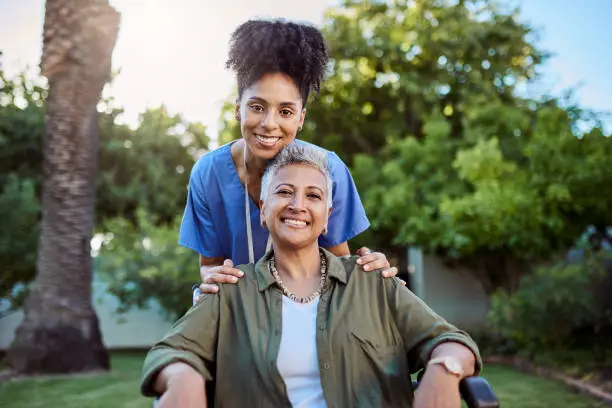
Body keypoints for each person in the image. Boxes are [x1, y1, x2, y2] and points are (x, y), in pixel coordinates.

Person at [142, 143, 482, 408]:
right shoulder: (231, 290)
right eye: (284, 192)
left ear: (327, 216)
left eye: (313, 195)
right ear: (263, 211)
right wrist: (182, 377)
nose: (298, 205)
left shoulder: (372, 280)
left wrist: (443, 370)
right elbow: (170, 351)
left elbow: (448, 341)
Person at [178, 19, 398, 297]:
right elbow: (209, 265)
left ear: (301, 118)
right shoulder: (208, 174)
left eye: (285, 112)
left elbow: (340, 264)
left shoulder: (327, 170)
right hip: (242, 316)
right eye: (257, 107)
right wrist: (212, 279)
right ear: (238, 109)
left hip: (310, 311)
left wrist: (370, 272)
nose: (269, 124)